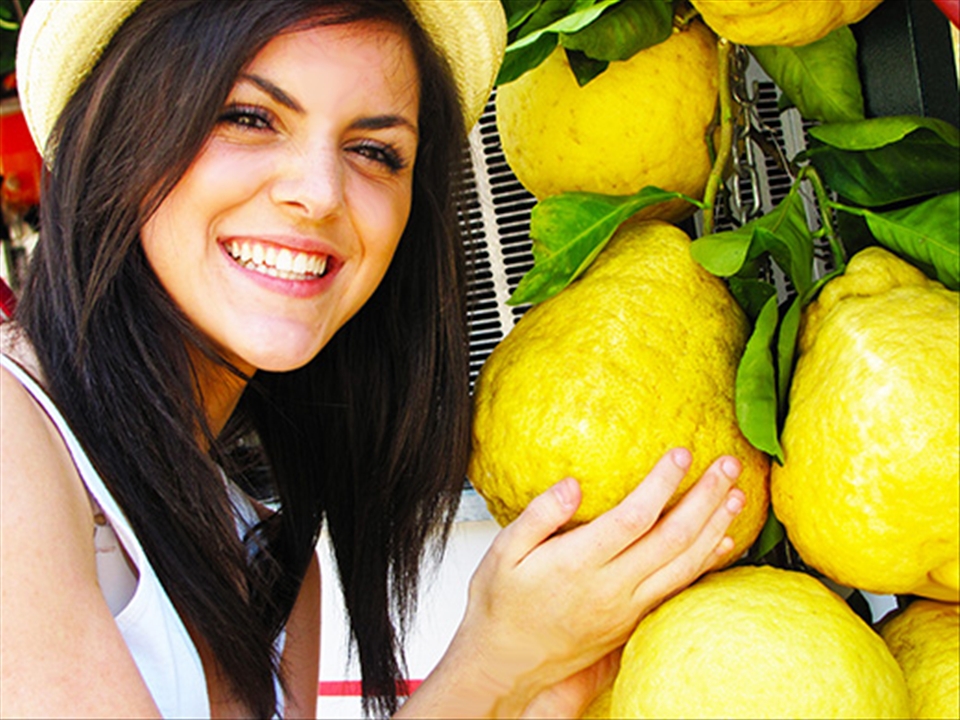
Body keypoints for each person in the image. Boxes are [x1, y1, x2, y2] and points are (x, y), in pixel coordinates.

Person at [0, 0, 747, 718]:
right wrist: (491, 660)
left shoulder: (272, 563)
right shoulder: (11, 439)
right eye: (249, 118)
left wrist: (524, 676)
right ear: (116, 136)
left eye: (373, 151)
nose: (321, 194)